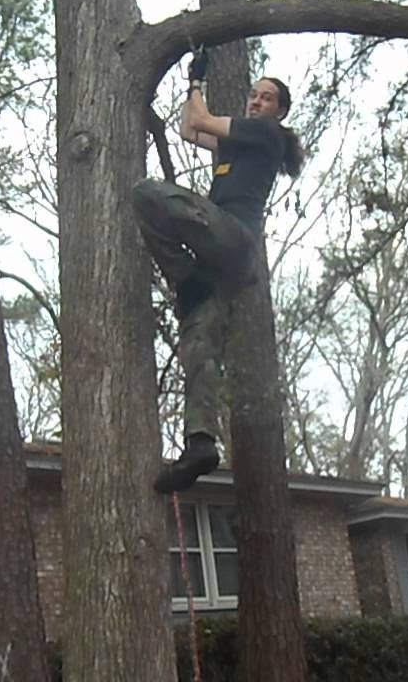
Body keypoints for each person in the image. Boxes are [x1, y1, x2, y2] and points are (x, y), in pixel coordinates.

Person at [132, 49, 304, 493]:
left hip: (234, 235)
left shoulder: (266, 136)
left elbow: (203, 121)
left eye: (266, 98)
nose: (256, 102)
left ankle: (183, 277)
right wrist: (195, 85)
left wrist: (197, 84)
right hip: (223, 261)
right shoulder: (242, 139)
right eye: (254, 96)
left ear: (279, 111)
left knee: (148, 194)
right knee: (199, 343)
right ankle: (201, 442)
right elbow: (192, 129)